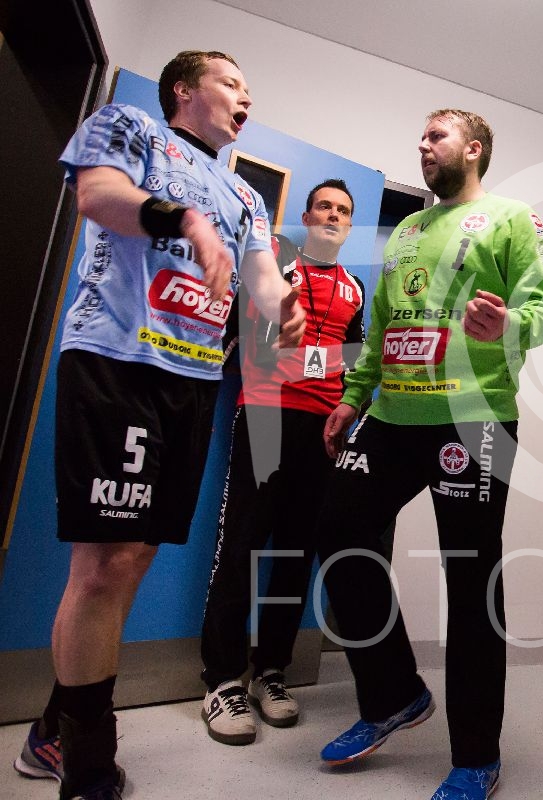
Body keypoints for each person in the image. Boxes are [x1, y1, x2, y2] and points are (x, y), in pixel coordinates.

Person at [12, 50, 304, 800]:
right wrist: (183, 219)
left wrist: (284, 306)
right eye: (231, 82)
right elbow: (99, 195)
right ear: (185, 89)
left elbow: (260, 277)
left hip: (193, 381)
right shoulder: (131, 127)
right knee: (103, 565)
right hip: (118, 361)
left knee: (132, 560)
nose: (245, 96)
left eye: (249, 88)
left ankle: (52, 727)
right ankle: (87, 764)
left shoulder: (245, 196)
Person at [313, 109, 543, 800]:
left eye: (437, 136)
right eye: (420, 137)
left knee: (472, 579)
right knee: (337, 531)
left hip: (474, 418)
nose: (423, 145)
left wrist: (509, 321)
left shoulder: (512, 218)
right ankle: (394, 694)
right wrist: (353, 396)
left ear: (474, 149)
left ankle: (477, 754)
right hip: (392, 413)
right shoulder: (407, 231)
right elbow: (383, 323)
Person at [198, 179, 365, 745]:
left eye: (343, 210)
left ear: (349, 224)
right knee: (241, 545)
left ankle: (271, 670)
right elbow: (229, 333)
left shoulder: (354, 288)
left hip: (322, 431)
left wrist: (346, 402)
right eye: (325, 206)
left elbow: (357, 357)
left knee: (295, 555)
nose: (333, 215)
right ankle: (222, 679)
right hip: (265, 416)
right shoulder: (271, 263)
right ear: (307, 215)